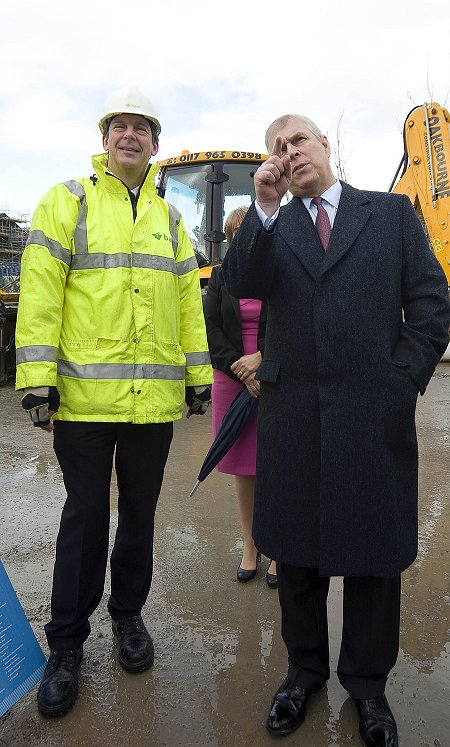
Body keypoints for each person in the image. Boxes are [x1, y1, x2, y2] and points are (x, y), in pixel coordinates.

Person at [221, 113, 450, 746]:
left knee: (375, 560)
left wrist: (399, 381)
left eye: (298, 140)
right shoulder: (274, 225)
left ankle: (369, 689)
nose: (289, 153)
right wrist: (263, 209)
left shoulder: (391, 215)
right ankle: (303, 674)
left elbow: (432, 303)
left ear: (327, 147)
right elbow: (244, 285)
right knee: (295, 557)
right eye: (276, 148)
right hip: (293, 419)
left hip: (373, 420)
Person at [15, 85, 213, 718]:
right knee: (85, 517)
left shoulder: (171, 218)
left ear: (155, 144)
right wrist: (37, 378)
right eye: (120, 126)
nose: (131, 136)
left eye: (143, 128)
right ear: (104, 139)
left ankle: (129, 619)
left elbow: (188, 303)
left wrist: (198, 374)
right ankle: (66, 648)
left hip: (152, 405)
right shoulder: (65, 201)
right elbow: (42, 292)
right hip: (83, 404)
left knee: (138, 518)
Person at [203, 207, 276, 587]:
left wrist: (262, 360)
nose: (239, 241)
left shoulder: (275, 274)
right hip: (232, 381)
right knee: (245, 472)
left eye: (245, 234)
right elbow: (210, 327)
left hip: (273, 377)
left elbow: (288, 321)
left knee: (275, 465)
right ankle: (250, 545)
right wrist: (239, 367)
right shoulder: (219, 277)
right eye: (234, 235)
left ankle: (276, 547)